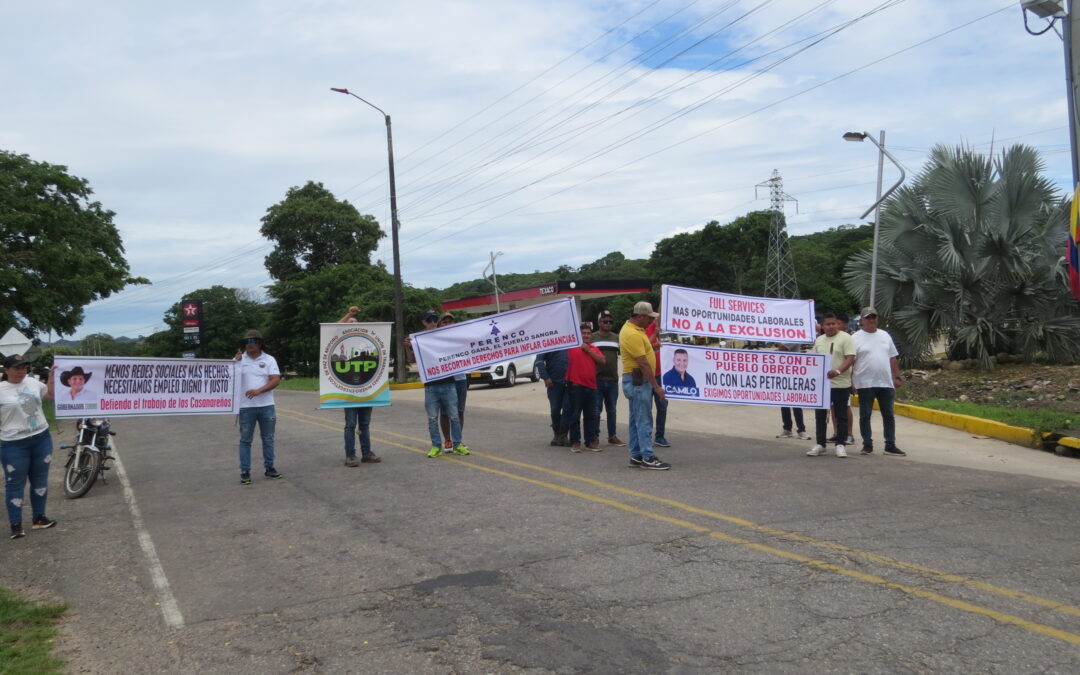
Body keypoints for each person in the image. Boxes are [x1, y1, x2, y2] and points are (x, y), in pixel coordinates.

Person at [1, 354, 58, 539]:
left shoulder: (34, 383)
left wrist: (51, 380)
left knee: (40, 479)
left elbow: (48, 396)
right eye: (17, 368)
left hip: (41, 438)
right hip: (13, 444)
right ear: (6, 370)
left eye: (24, 367)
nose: (21, 371)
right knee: (15, 484)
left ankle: (39, 518)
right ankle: (16, 525)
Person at [404, 311, 468, 458]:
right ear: (424, 322)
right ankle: (436, 446)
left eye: (434, 319)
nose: (432, 322)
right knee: (433, 418)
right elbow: (412, 360)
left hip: (449, 383)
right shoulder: (418, 340)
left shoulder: (446, 337)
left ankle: (458, 444)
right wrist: (408, 346)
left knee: (454, 416)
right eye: (429, 320)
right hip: (431, 386)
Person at [619, 301, 670, 470]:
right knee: (644, 420)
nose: (650, 321)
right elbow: (643, 363)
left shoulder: (635, 330)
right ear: (640, 316)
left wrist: (652, 343)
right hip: (639, 380)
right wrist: (656, 386)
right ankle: (648, 456)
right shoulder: (632, 334)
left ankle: (636, 455)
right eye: (649, 318)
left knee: (636, 419)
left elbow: (643, 350)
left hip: (636, 380)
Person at [852, 307, 907, 456]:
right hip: (865, 382)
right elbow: (851, 360)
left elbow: (892, 357)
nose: (871, 320)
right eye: (868, 318)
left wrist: (896, 376)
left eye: (874, 317)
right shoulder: (855, 337)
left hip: (885, 382)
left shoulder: (885, 335)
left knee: (888, 414)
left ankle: (890, 444)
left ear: (877, 319)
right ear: (862, 320)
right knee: (865, 415)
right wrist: (851, 381)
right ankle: (867, 444)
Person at [336, 305, 382, 467]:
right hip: (349, 390)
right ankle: (350, 455)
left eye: (355, 323)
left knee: (364, 425)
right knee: (350, 425)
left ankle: (366, 453)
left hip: (365, 389)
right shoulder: (339, 343)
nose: (352, 325)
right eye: (349, 323)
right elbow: (333, 330)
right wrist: (349, 314)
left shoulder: (364, 343)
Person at [235, 329, 282, 484]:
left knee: (268, 439)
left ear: (260, 343)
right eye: (247, 342)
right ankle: (245, 470)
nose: (249, 344)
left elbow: (275, 379)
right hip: (245, 406)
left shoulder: (269, 359)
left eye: (253, 341)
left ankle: (270, 468)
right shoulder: (239, 360)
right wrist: (234, 362)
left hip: (266, 405)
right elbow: (228, 379)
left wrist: (259, 391)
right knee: (245, 440)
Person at [807, 314, 856, 458]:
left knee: (841, 415)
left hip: (841, 384)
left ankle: (840, 444)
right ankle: (820, 444)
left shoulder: (846, 338)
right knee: (820, 415)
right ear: (822, 326)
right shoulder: (819, 340)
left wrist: (838, 371)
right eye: (828, 324)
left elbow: (850, 358)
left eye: (834, 323)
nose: (831, 326)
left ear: (838, 324)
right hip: (823, 385)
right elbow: (814, 360)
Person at [561, 322, 605, 452]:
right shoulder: (571, 347)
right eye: (583, 333)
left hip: (591, 387)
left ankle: (590, 441)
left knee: (590, 416)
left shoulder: (594, 348)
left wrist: (588, 350)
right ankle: (575, 442)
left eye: (588, 333)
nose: (586, 335)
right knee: (575, 415)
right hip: (575, 387)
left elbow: (602, 361)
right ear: (578, 335)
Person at [592, 310, 625, 446]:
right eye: (605, 321)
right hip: (596, 380)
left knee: (612, 410)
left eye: (610, 322)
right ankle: (594, 437)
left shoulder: (617, 338)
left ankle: (612, 436)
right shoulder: (592, 338)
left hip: (612, 380)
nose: (608, 324)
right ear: (599, 323)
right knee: (596, 410)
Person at [437, 312, 469, 451]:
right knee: (444, 413)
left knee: (459, 411)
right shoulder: (434, 341)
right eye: (444, 321)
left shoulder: (461, 338)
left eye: (450, 321)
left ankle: (458, 441)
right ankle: (448, 441)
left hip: (460, 379)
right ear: (440, 325)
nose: (448, 324)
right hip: (444, 380)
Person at [773, 343, 809, 440]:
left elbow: (781, 347)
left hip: (793, 372)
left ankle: (801, 430)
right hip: (783, 371)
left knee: (795, 402)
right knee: (784, 402)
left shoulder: (793, 337)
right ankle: (787, 429)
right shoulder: (783, 336)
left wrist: (778, 342)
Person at [645, 313, 670, 447]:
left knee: (662, 406)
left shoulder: (665, 331)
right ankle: (646, 436)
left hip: (662, 375)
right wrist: (654, 334)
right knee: (646, 408)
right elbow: (645, 346)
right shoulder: (646, 329)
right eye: (657, 318)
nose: (659, 320)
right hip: (648, 375)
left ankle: (660, 436)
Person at [536, 346, 569, 447]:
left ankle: (563, 435)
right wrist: (545, 377)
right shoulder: (548, 343)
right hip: (554, 383)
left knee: (567, 409)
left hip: (570, 382)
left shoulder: (571, 341)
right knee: (555, 410)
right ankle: (557, 434)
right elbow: (539, 361)